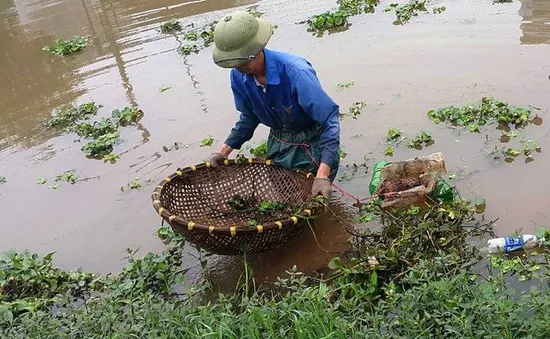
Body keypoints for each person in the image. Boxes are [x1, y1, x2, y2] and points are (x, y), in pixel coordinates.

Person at [208, 11, 340, 200]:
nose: (237, 68)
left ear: (256, 51)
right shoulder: (238, 75)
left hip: (312, 142)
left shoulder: (297, 73)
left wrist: (322, 174)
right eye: (233, 63)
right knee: (286, 196)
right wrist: (224, 151)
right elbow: (249, 116)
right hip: (279, 141)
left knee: (310, 199)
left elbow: (329, 120)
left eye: (241, 62)